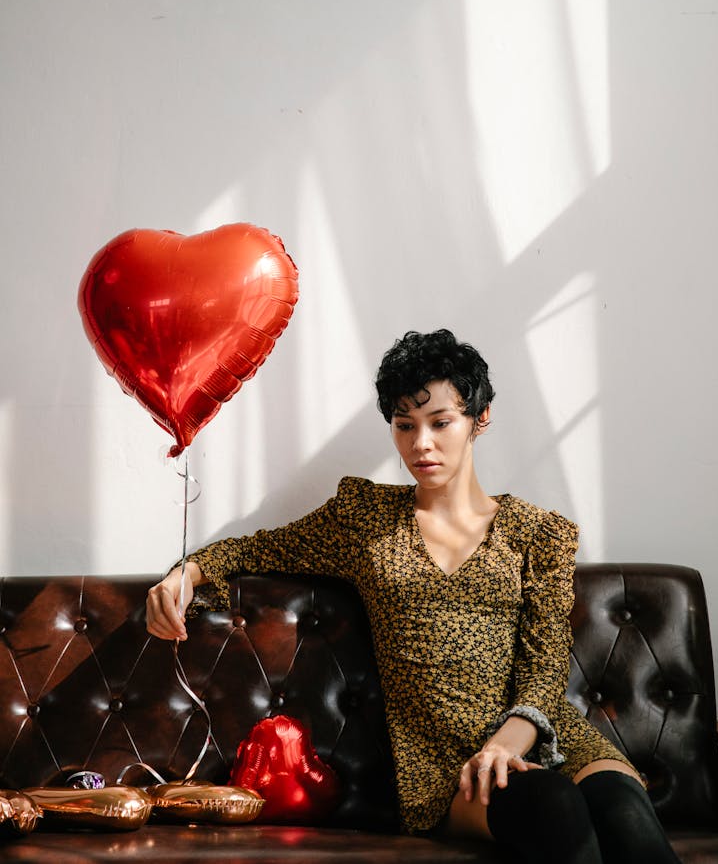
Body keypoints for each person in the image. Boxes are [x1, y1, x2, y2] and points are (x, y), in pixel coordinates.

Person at [147, 329, 680, 863]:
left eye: (441, 423)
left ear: (480, 418)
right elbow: (258, 548)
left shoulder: (537, 534)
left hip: (539, 730)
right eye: (405, 426)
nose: (421, 444)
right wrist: (186, 572)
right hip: (449, 764)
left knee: (625, 815)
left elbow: (543, 668)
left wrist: (509, 742)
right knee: (554, 807)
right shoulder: (366, 521)